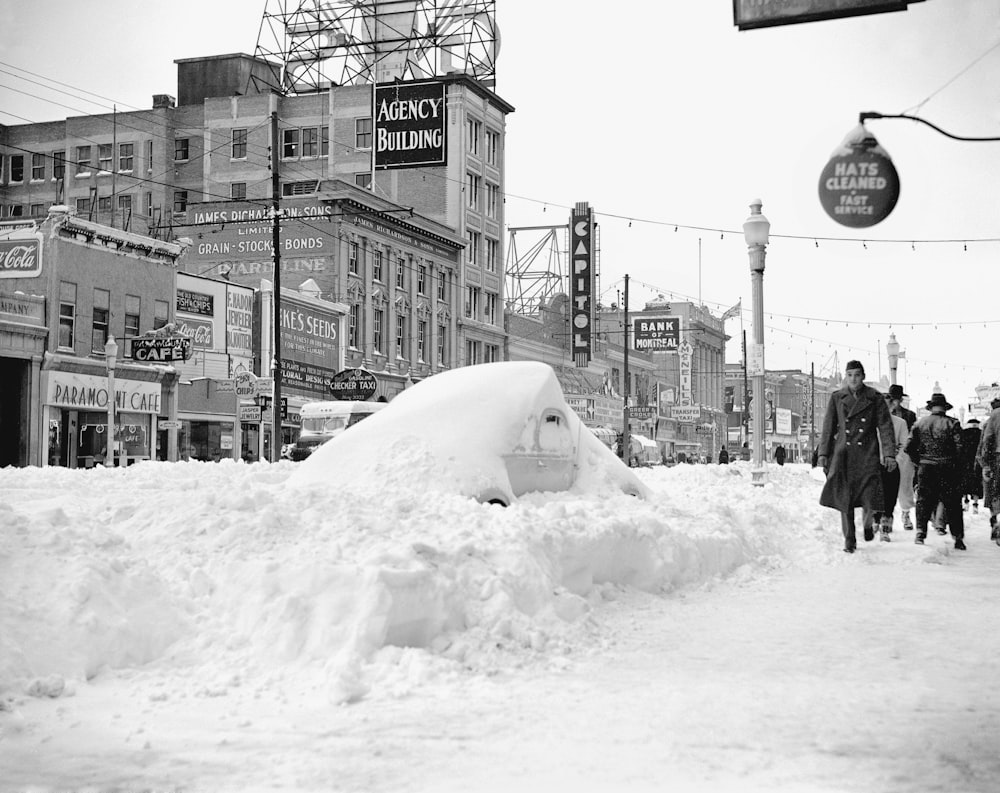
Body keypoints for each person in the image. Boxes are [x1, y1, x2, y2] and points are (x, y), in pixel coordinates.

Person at [817, 360, 897, 554]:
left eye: (857, 375)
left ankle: (868, 523)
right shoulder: (837, 397)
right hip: (843, 454)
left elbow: (885, 427)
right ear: (846, 376)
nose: (853, 379)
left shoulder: (875, 398)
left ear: (863, 377)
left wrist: (889, 454)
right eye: (850, 375)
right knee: (846, 499)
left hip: (867, 453)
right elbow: (828, 427)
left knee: (870, 495)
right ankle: (849, 539)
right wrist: (823, 453)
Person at [904, 392, 965, 550]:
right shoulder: (953, 423)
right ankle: (957, 537)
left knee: (923, 501)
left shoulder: (920, 423)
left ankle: (920, 533)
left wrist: (919, 461)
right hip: (948, 468)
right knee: (952, 503)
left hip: (926, 467)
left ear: (931, 408)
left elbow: (908, 447)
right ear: (945, 408)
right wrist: (956, 465)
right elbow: (960, 449)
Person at [871, 391, 910, 541]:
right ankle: (875, 521)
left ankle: (885, 528)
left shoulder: (900, 423)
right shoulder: (870, 423)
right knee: (874, 496)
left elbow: (904, 444)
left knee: (890, 497)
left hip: (891, 466)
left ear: (892, 406)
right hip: (874, 465)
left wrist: (896, 460)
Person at [887, 385, 916, 531]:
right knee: (886, 489)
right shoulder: (883, 415)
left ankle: (906, 514)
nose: (896, 402)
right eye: (893, 399)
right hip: (887, 455)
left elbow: (912, 435)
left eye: (898, 399)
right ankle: (887, 517)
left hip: (905, 455)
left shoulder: (909, 415)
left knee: (905, 486)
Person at [976, 396, 1000, 544]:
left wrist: (985, 463)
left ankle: (995, 519)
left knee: (995, 491)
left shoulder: (994, 416)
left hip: (997, 458)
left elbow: (987, 440)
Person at [960, 417, 983, 514]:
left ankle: (965, 501)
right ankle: (975, 504)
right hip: (978, 462)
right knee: (977, 482)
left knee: (965, 482)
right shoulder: (981, 433)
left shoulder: (963, 434)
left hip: (965, 462)